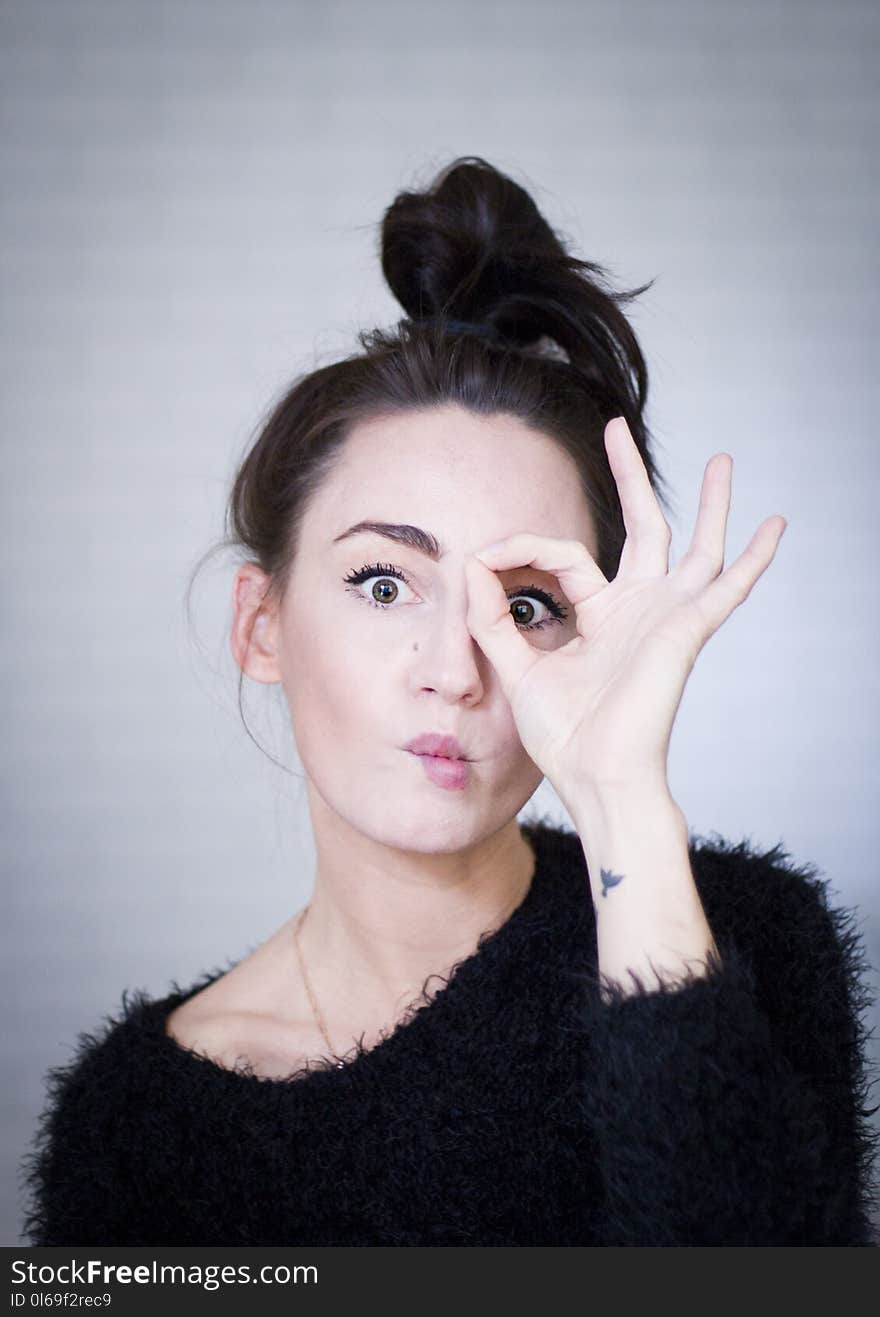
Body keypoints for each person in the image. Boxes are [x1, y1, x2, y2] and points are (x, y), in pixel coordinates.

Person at [21, 156, 878, 1247]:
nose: (456, 669)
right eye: (384, 584)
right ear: (261, 624)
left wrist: (622, 804)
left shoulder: (736, 936)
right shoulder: (135, 1121)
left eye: (524, 606)